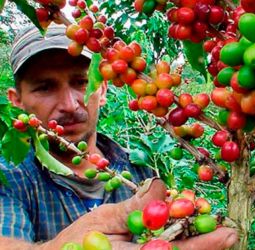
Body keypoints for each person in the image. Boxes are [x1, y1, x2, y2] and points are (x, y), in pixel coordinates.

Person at [0, 24, 238, 249]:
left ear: (102, 89)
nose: (70, 105)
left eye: (81, 82)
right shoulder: (10, 178)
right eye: (45, 87)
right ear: (16, 100)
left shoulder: (140, 169)